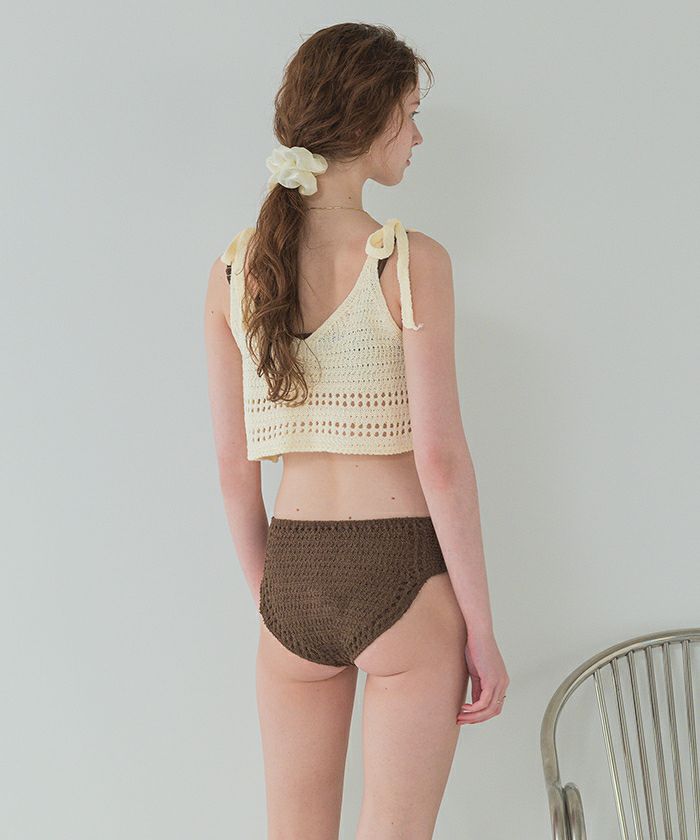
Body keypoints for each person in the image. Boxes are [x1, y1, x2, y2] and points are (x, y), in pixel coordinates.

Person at [204, 22, 509, 840]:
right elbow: (440, 459)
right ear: (372, 121)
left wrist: (273, 600)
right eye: (410, 115)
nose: (417, 137)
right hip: (399, 570)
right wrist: (482, 629)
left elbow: (233, 470)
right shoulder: (409, 260)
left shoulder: (233, 270)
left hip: (292, 575)